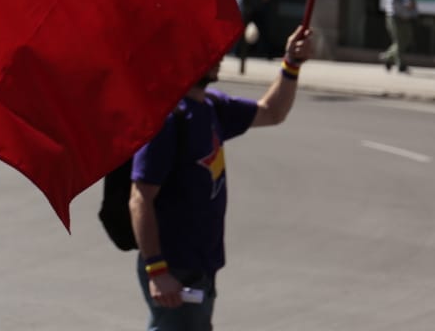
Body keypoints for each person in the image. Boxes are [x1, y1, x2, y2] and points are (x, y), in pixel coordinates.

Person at [130, 23, 314, 331]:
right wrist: (157, 270)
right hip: (174, 265)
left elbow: (272, 111)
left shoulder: (212, 107)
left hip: (202, 264)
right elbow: (140, 199)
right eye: (209, 51)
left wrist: (291, 64)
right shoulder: (167, 118)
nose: (220, 56)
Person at [380, 0, 418, 74]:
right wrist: (405, 7)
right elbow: (393, 4)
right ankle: (401, 65)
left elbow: (412, 1)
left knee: (406, 39)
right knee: (399, 41)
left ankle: (388, 57)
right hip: (394, 17)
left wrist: (411, 11)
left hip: (406, 17)